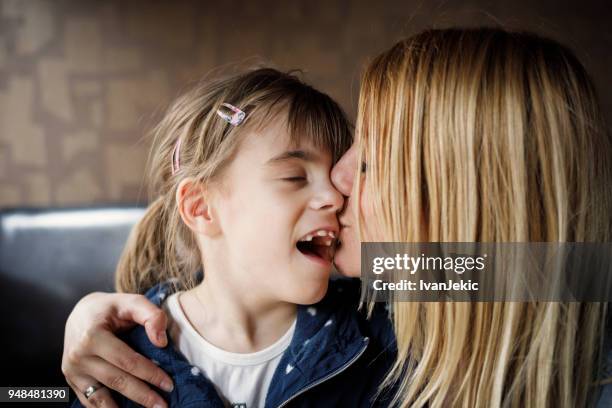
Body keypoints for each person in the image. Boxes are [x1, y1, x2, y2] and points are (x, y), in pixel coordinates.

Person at [62, 28, 612, 407]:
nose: (337, 185)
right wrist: (82, 321)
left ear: (459, 202)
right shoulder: (431, 276)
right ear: (200, 207)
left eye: (368, 160)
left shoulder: (387, 300)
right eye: (298, 176)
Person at [68, 67, 394, 408]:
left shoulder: (374, 318)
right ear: (200, 209)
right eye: (295, 177)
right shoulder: (120, 361)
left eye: (330, 174)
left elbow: (454, 272)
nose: (335, 194)